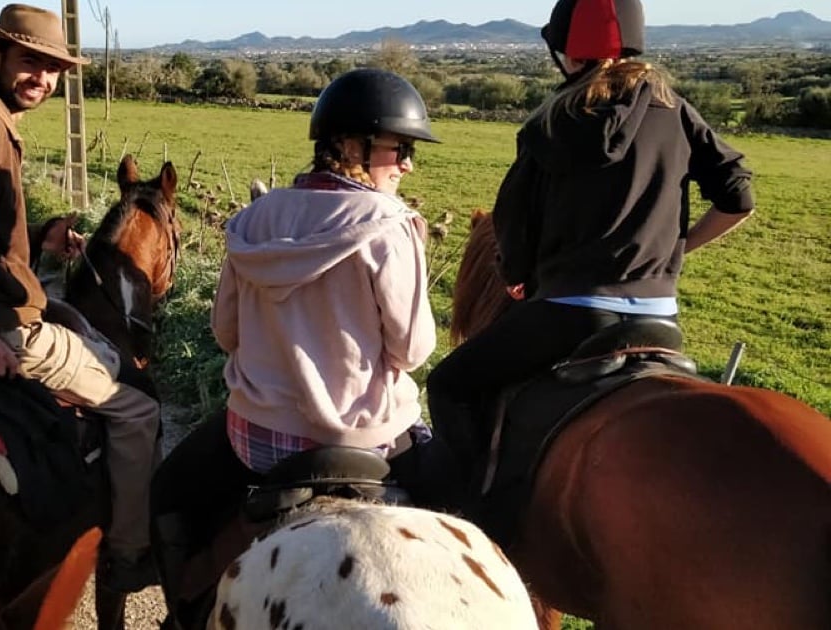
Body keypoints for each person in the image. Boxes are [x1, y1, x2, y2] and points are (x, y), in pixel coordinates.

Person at [150, 68, 460, 629]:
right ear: (349, 145)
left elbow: (226, 333)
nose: (409, 163)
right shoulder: (392, 228)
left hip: (254, 443)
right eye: (400, 148)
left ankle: (183, 609)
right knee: (472, 509)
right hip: (371, 444)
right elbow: (412, 350)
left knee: (168, 493)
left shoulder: (253, 222)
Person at [424, 0, 756, 474]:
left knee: (449, 385)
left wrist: (516, 276)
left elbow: (513, 222)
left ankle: (470, 499)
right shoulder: (677, 111)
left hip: (569, 316)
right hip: (661, 318)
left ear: (566, 54)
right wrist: (677, 251)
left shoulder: (550, 123)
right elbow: (738, 198)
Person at [0, 3, 159, 593]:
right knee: (137, 411)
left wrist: (38, 238)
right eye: (28, 62)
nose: (40, 78)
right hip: (3, 330)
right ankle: (128, 552)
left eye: (51, 68)